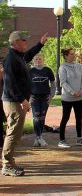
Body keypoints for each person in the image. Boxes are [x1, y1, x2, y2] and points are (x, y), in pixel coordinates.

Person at [2, 31, 47, 177]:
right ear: (15, 42)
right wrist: (23, 100)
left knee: (15, 133)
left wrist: (40, 44)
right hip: (14, 101)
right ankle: (7, 165)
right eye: (24, 40)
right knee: (13, 133)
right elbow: (10, 84)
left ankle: (9, 163)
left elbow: (28, 55)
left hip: (16, 101)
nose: (26, 43)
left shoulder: (18, 57)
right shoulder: (10, 59)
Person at [58, 48, 82, 148]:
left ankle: (79, 138)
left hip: (79, 98)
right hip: (67, 98)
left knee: (79, 118)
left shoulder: (78, 66)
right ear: (66, 56)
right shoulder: (62, 68)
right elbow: (63, 82)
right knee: (65, 117)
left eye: (73, 54)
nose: (73, 55)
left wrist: (81, 90)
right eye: (71, 54)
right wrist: (72, 92)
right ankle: (61, 140)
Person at [29, 53, 55, 147]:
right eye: (36, 59)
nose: (38, 61)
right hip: (34, 98)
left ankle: (39, 137)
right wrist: (28, 97)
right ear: (33, 61)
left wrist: (51, 96)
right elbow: (26, 85)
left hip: (45, 98)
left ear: (43, 60)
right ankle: (38, 137)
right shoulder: (30, 71)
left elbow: (53, 84)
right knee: (36, 117)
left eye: (40, 59)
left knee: (42, 117)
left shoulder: (48, 70)